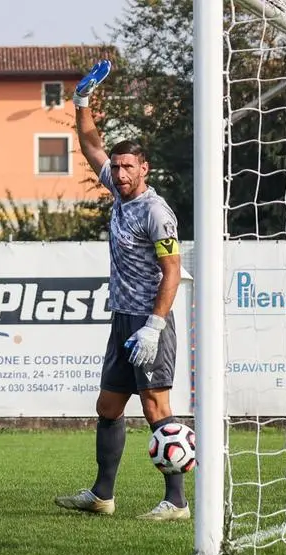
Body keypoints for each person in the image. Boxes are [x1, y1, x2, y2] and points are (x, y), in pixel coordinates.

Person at [54, 60, 188, 520]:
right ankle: (102, 496)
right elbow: (90, 143)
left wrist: (155, 325)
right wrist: (82, 102)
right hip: (123, 319)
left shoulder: (157, 212)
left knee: (155, 406)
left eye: (129, 167)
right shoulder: (116, 188)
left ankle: (176, 502)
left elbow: (172, 270)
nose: (121, 173)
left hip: (151, 321)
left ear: (144, 168)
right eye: (117, 167)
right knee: (108, 405)